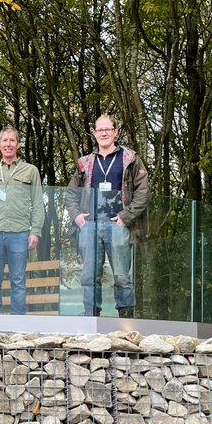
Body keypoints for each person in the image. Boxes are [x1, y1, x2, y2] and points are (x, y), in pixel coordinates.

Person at [66, 115, 149, 318]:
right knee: (89, 275)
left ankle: (126, 319)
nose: (103, 133)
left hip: (118, 224)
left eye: (107, 129)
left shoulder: (130, 158)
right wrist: (77, 217)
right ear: (94, 133)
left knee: (121, 275)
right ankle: (91, 315)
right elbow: (70, 193)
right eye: (99, 130)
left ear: (115, 132)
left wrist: (126, 216)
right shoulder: (86, 162)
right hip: (90, 225)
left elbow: (143, 191)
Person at [0, 126, 44, 315]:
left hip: (19, 233)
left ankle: (18, 324)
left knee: (18, 280)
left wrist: (35, 231)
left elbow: (38, 204)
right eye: (5, 140)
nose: (8, 144)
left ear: (18, 145)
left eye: (12, 140)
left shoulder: (31, 171)